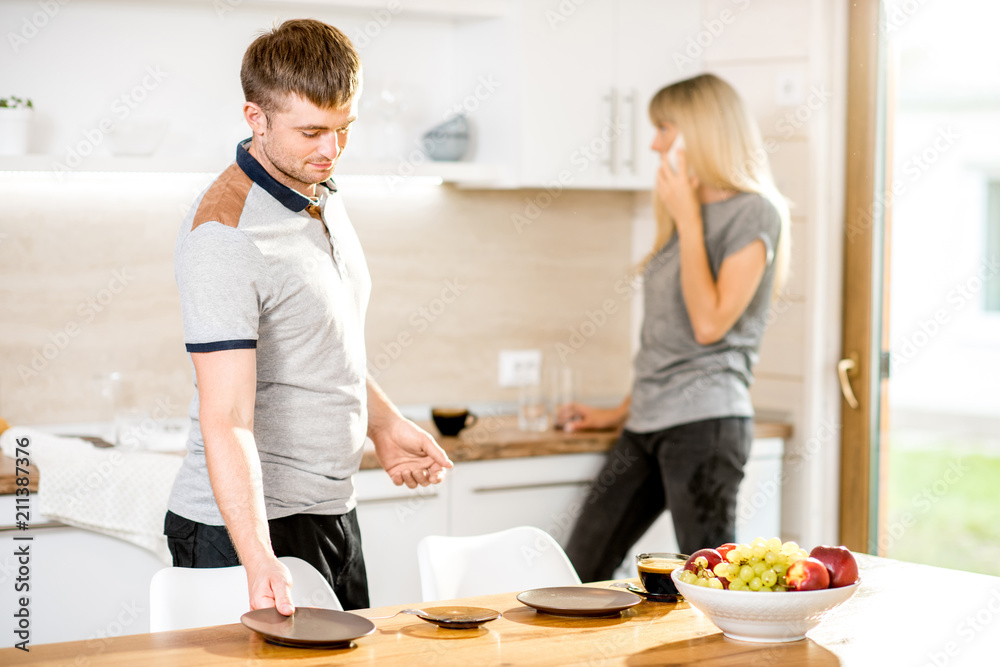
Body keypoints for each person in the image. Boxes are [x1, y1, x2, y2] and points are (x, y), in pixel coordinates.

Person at [164, 19, 452, 613]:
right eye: (312, 131)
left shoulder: (315, 189)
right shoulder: (225, 233)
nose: (331, 150)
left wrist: (384, 423)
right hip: (247, 530)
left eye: (344, 129)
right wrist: (257, 554)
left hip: (329, 510)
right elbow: (227, 418)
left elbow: (319, 340)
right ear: (256, 118)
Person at [560, 73, 790, 581]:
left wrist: (687, 220)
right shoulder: (683, 210)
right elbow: (667, 337)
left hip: (706, 425)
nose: (654, 142)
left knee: (713, 585)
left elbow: (708, 327)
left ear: (701, 131)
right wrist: (616, 412)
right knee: (581, 570)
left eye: (664, 127)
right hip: (647, 424)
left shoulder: (754, 213)